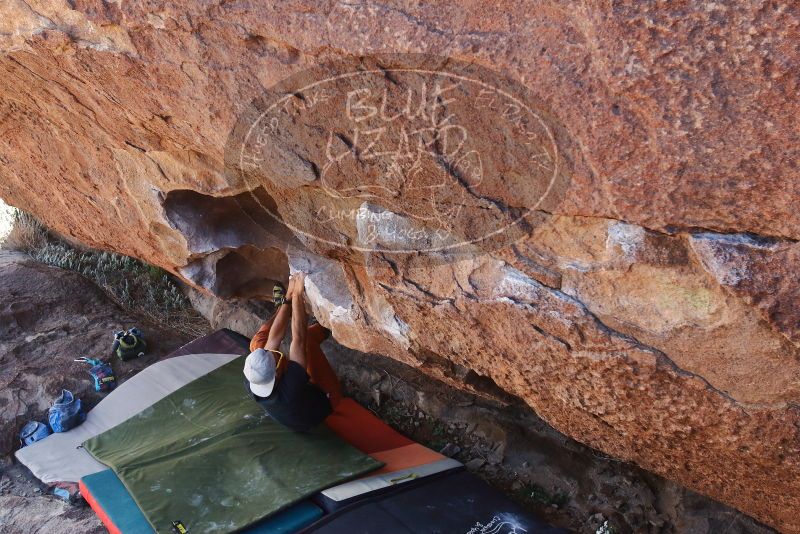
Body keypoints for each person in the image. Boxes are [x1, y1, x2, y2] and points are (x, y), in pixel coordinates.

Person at [243, 273, 343, 432]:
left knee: (257, 343)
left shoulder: (253, 378)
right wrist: (297, 294)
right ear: (276, 372)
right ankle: (329, 325)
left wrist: (288, 298)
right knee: (309, 339)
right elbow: (299, 339)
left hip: (284, 387)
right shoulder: (289, 391)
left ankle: (281, 307)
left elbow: (274, 339)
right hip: (326, 398)